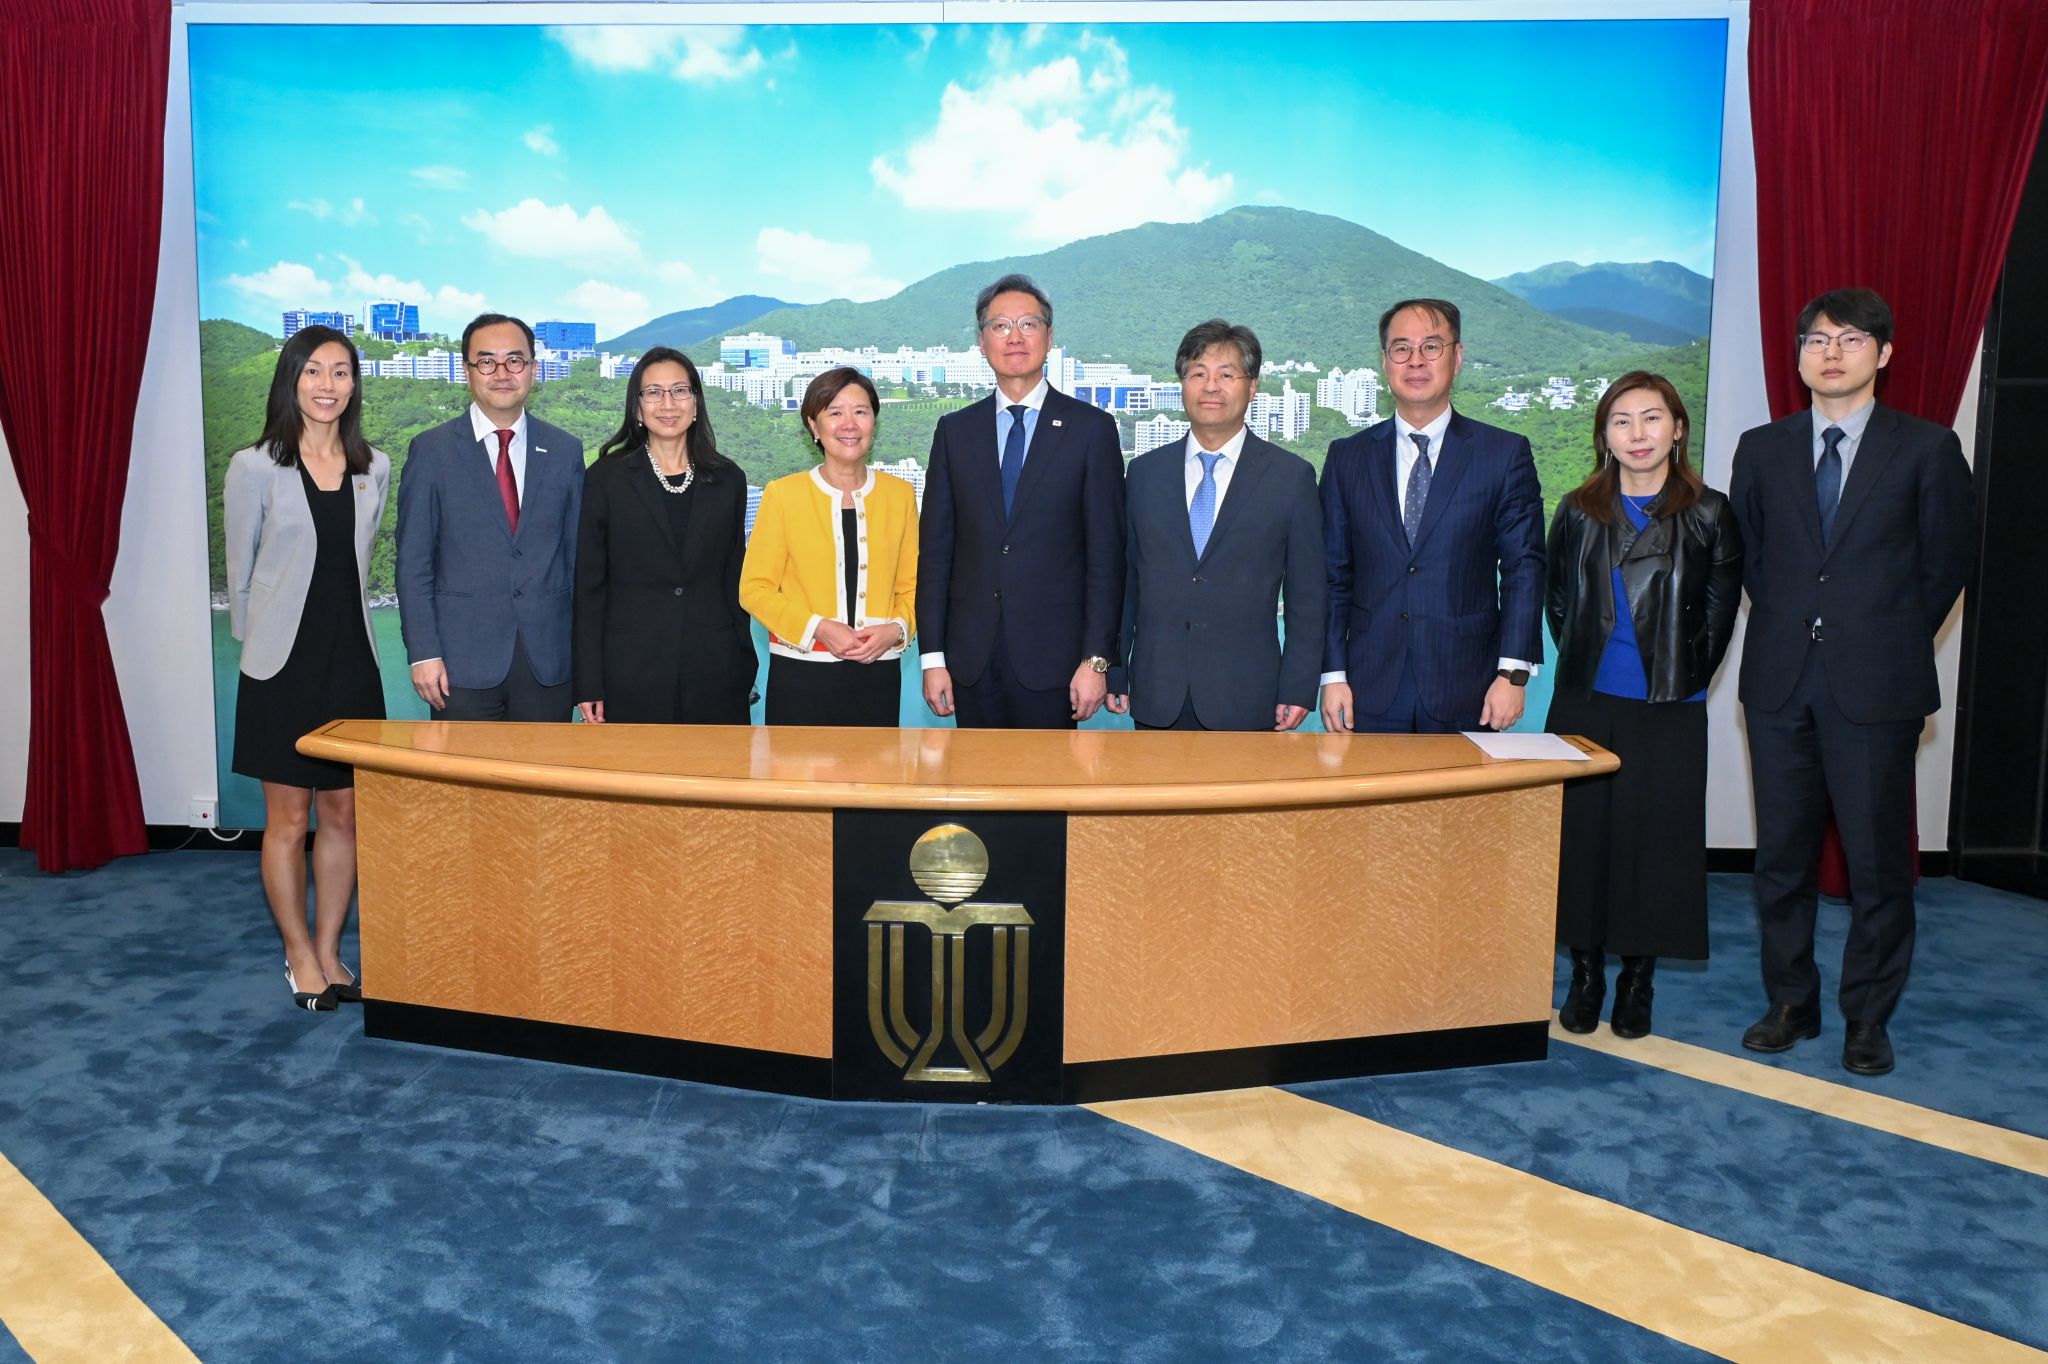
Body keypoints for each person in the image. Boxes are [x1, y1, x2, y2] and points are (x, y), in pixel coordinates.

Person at [1730, 288, 1975, 1075]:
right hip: (1779, 681)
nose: (1830, 353)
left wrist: (1877, 637)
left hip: (1876, 686)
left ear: (1884, 353)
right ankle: (1790, 1002)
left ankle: (1867, 1016)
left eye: (1850, 339)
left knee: (1876, 865)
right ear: (1799, 354)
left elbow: (1944, 567)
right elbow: (1757, 562)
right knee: (1781, 860)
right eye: (1816, 340)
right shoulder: (1761, 448)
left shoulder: (1927, 448)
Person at [1544, 371, 1742, 1039]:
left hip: (1668, 708)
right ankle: (1587, 971)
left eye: (1651, 418)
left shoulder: (1710, 511)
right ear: (1604, 435)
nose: (1637, 433)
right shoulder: (1576, 509)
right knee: (1583, 844)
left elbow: (1718, 618)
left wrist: (1679, 678)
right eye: (1621, 421)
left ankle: (1637, 978)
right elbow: (1559, 604)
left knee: (1653, 848)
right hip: (1586, 703)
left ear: (1677, 429)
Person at [223, 325, 388, 1012]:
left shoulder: (374, 466)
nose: (328, 385)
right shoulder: (253, 466)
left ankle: (329, 949)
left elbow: (359, 563)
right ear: (291, 380)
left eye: (342, 372)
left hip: (352, 660)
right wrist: (260, 654)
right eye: (314, 371)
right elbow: (239, 579)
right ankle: (296, 953)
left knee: (346, 814)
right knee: (288, 820)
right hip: (280, 667)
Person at [1319, 299, 1545, 734]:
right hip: (1369, 685)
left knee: (1464, 806)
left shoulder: (1503, 454)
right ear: (1385, 362)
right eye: (1401, 348)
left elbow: (1524, 568)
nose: (1416, 360)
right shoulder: (1347, 457)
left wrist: (1512, 673)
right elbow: (1333, 573)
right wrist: (1333, 674)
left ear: (1457, 357)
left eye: (1432, 347)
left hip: (1470, 686)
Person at [917, 274, 1125, 729]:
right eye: (1000, 326)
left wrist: (1096, 660)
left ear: (1049, 338)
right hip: (969, 661)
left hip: (1057, 662)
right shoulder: (955, 433)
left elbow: (1106, 558)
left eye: (1028, 324)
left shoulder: (1091, 430)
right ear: (981, 341)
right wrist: (933, 657)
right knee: (977, 790)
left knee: (1047, 793)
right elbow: (936, 554)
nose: (1014, 337)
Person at [1105, 319, 1324, 731]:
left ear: (1252, 386)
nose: (1211, 386)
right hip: (1157, 691)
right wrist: (1117, 668)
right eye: (1198, 374)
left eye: (1227, 374)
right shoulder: (1144, 474)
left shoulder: (1290, 478)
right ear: (1182, 385)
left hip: (1247, 693)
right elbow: (1127, 583)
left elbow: (1307, 598)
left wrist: (1298, 687)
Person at [395, 312, 582, 721]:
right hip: (459, 667)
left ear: (533, 369)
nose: (502, 373)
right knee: (466, 787)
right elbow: (414, 564)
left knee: (544, 783)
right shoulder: (431, 452)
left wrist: (586, 665)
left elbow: (576, 563)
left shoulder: (566, 450)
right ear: (467, 370)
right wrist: (423, 652)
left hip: (548, 664)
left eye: (515, 361)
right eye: (487, 361)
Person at [572, 348, 755, 725]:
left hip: (715, 669)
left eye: (679, 391)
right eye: (653, 392)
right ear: (637, 408)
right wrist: (589, 680)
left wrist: (742, 661)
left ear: (697, 403)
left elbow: (733, 579)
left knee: (715, 779)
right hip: (630, 672)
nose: (667, 403)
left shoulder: (728, 479)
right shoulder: (606, 477)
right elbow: (589, 586)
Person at [740, 368, 916, 726]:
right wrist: (819, 628)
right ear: (814, 427)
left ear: (874, 423)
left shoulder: (900, 496)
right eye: (835, 412)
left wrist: (896, 629)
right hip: (801, 676)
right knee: (800, 779)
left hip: (878, 674)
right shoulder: (783, 495)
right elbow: (754, 589)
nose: (849, 424)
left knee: (875, 778)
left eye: (861, 411)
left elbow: (912, 585)